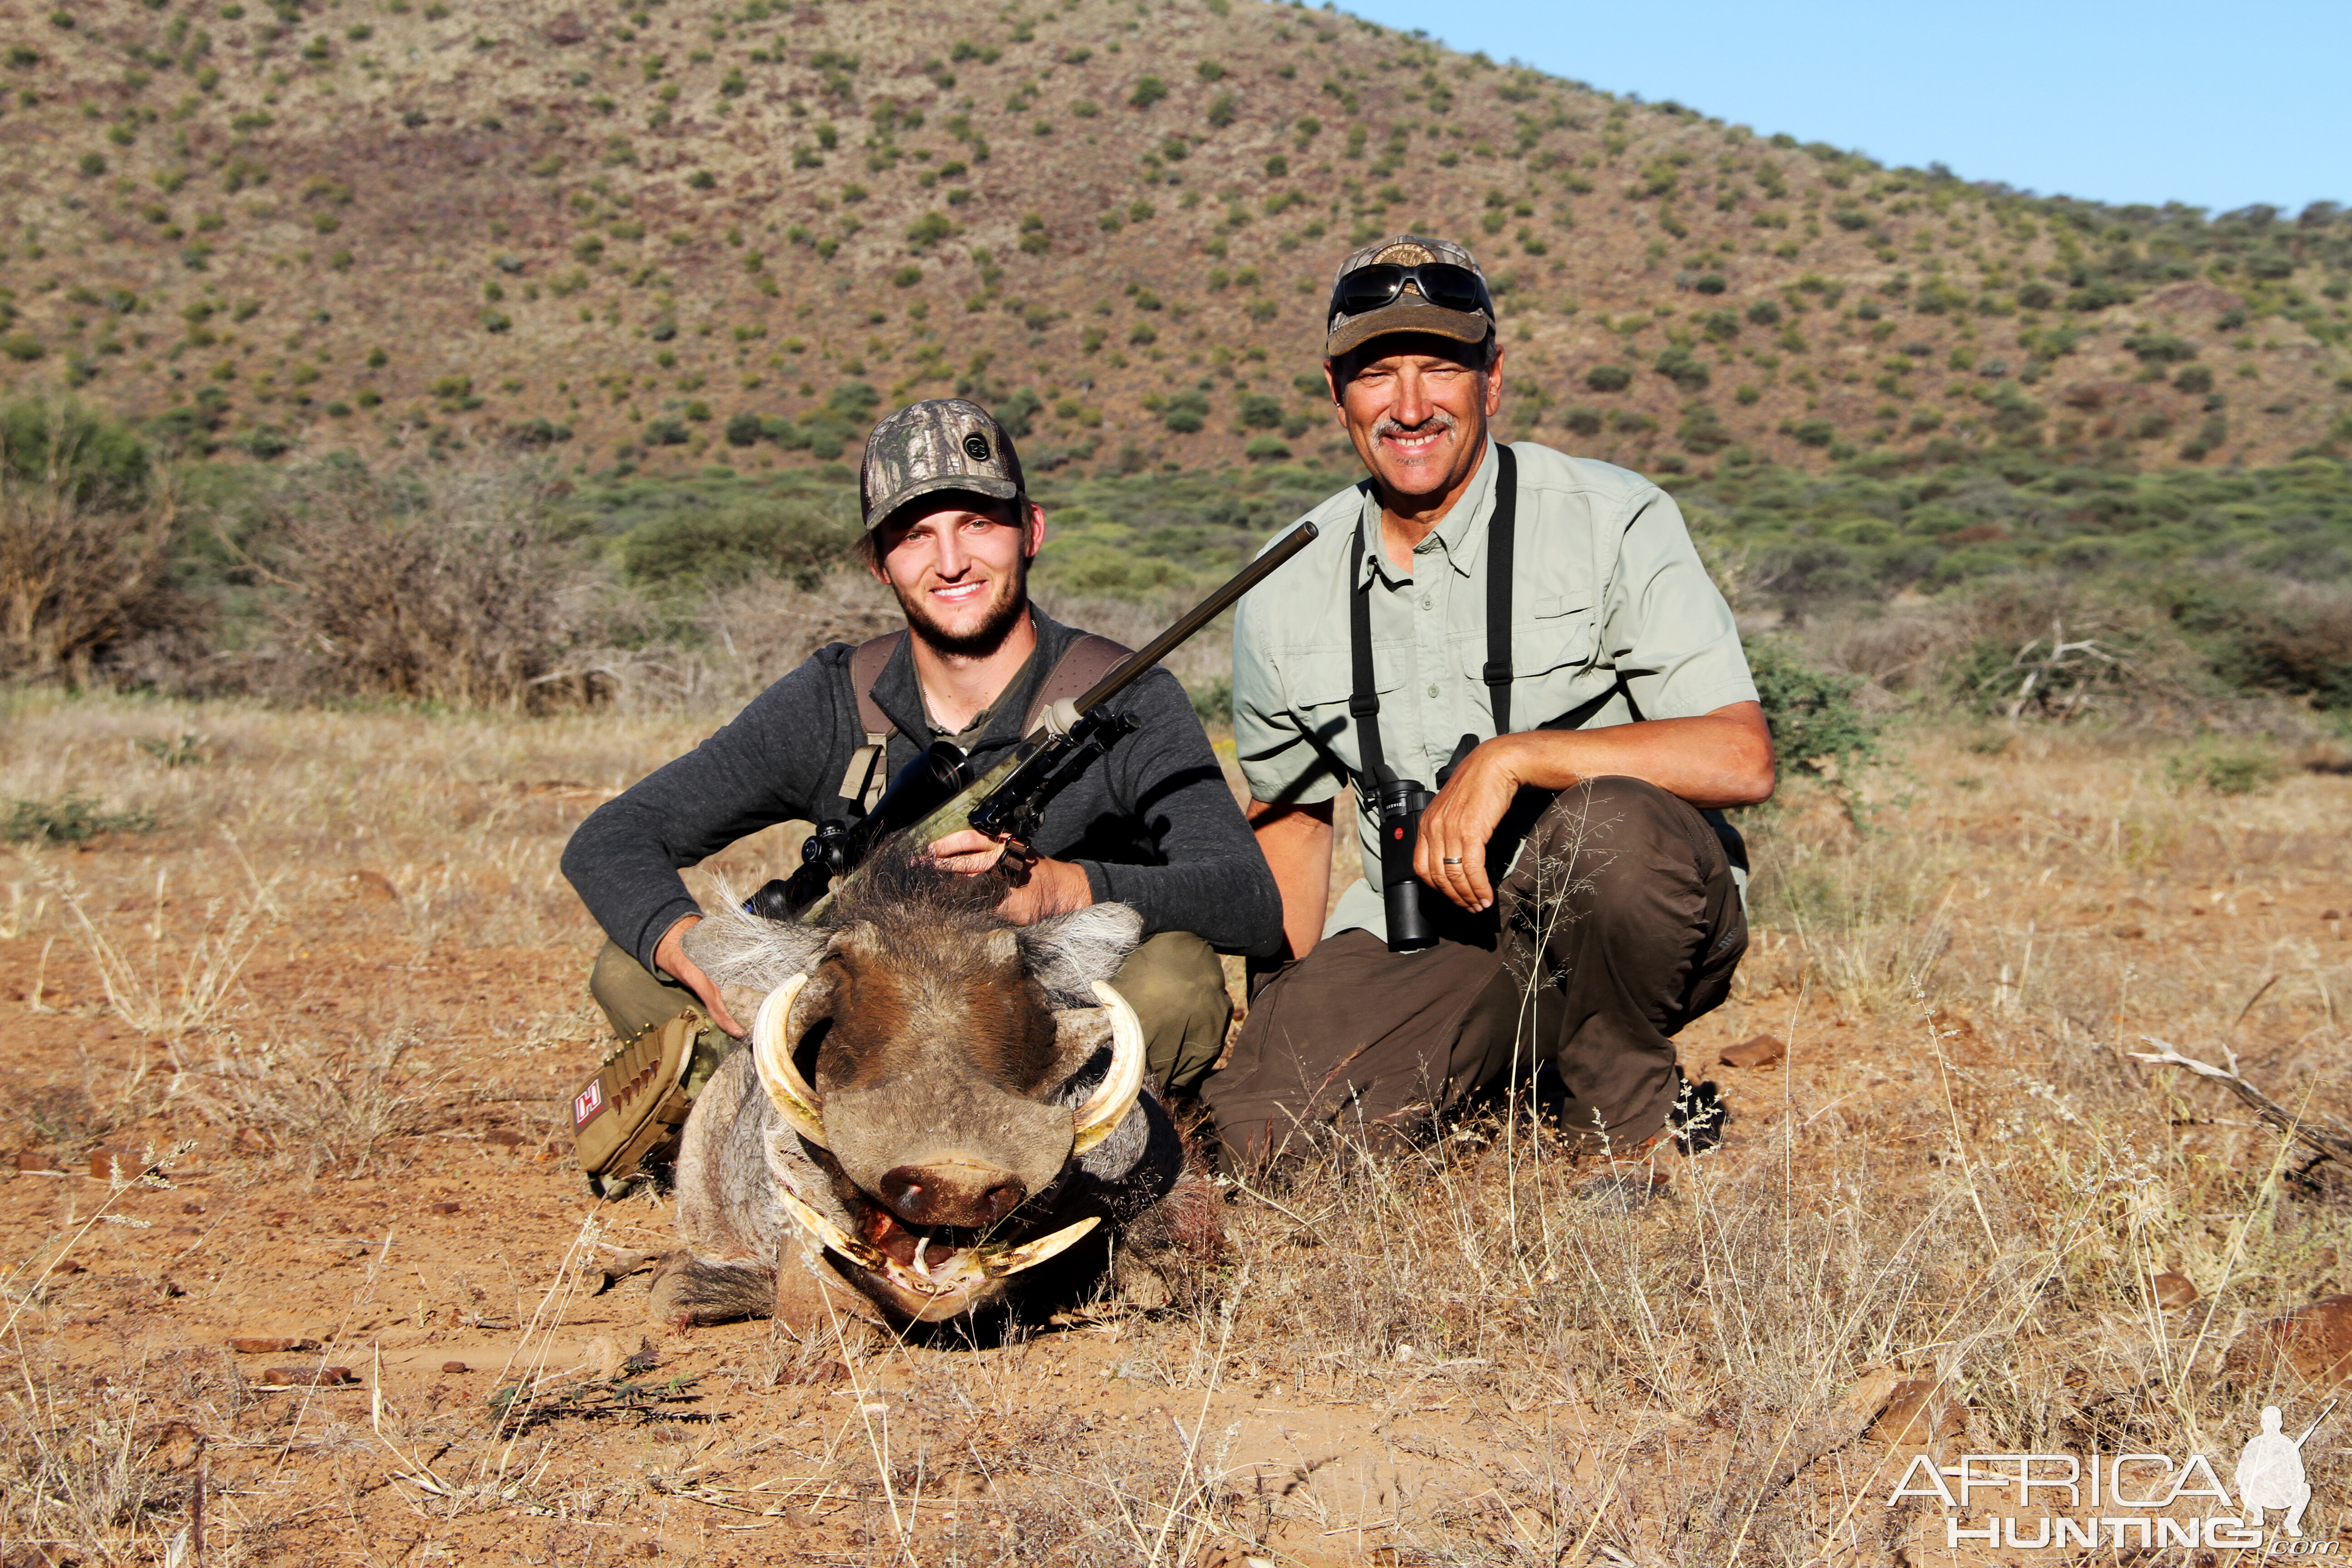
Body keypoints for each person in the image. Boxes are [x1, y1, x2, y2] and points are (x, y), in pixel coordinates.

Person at [562, 398, 1281, 1190]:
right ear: (881, 562)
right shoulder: (837, 696)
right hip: (861, 1026)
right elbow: (612, 837)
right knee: (630, 968)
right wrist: (689, 948)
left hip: (1026, 1038)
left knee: (1174, 977)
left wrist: (1061, 889)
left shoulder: (1128, 697)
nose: (951, 563)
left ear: (1031, 531)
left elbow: (1246, 895)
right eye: (916, 536)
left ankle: (1034, 1162)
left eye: (978, 524)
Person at [1201, 235, 1777, 1171]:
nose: (1412, 405)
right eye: (1378, 375)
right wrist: (1290, 1015)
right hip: (1427, 931)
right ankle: (1513, 1065)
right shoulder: (1283, 579)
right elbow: (1293, 819)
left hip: (1628, 917)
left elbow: (1740, 759)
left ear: (1494, 379)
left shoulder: (1614, 515)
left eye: (1442, 369)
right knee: (1263, 1143)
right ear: (1336, 392)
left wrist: (1512, 759)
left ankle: (1631, 1125)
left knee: (1611, 828)